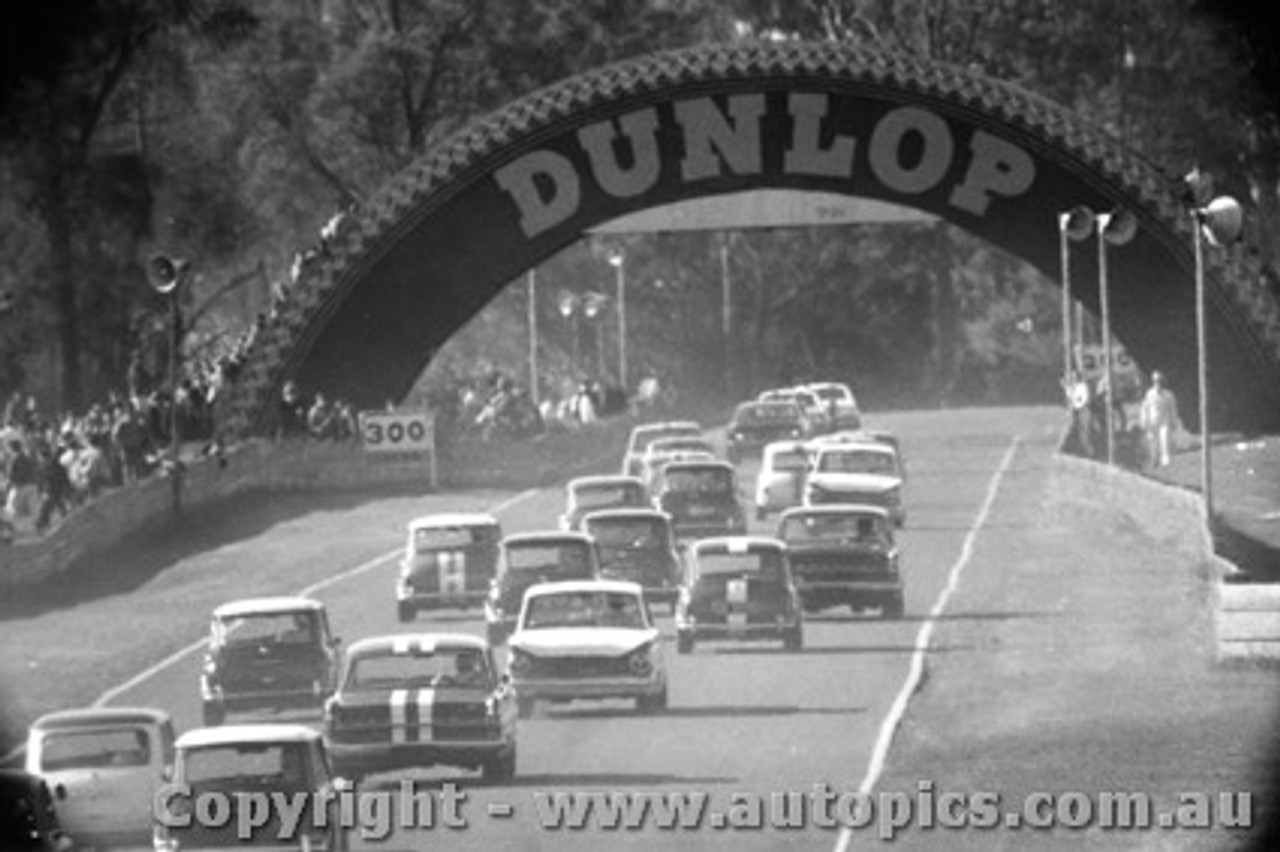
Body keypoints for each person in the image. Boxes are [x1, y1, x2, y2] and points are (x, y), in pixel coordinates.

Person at [1139, 370, 1182, 468]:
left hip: (1164, 421)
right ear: (1153, 382)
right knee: (1153, 441)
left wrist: (1173, 421)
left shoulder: (1169, 395)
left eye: (1159, 381)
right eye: (1156, 381)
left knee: (1165, 439)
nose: (1158, 383)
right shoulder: (1149, 394)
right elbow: (1145, 407)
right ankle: (1155, 459)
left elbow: (1173, 409)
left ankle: (1165, 460)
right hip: (1152, 421)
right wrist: (1144, 420)